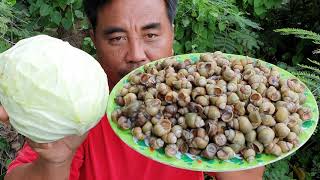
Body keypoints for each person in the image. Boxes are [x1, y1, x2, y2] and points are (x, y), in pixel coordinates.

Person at [2, 0, 265, 179]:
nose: (137, 55)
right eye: (117, 38)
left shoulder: (209, 96)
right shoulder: (80, 104)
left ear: (172, 34)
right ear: (94, 40)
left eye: (151, 35)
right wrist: (55, 161)